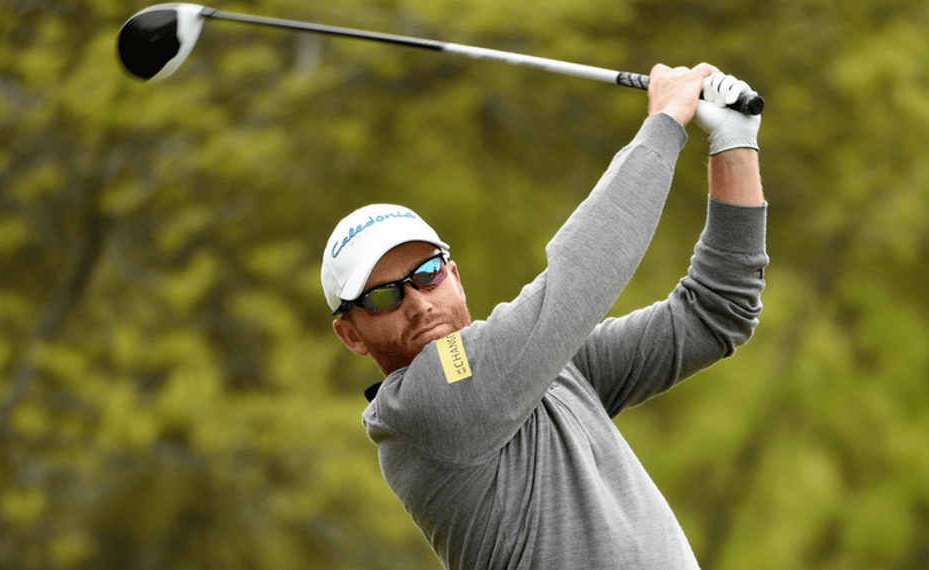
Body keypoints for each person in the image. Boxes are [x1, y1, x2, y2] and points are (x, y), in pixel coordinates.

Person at [319, 63, 767, 570]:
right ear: (351, 334)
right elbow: (580, 277)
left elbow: (715, 313)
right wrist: (665, 121)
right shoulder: (422, 409)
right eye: (383, 298)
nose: (419, 303)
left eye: (427, 272)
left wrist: (733, 145)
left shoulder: (543, 368)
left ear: (455, 274)